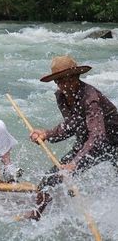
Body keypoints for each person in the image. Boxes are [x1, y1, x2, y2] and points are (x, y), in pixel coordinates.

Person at [26, 55, 118, 220]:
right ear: (56, 83)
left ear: (77, 77)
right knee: (51, 178)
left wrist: (75, 163)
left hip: (112, 142)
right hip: (88, 143)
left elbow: (97, 136)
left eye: (69, 79)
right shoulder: (61, 96)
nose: (65, 84)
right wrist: (46, 134)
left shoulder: (90, 98)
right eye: (60, 81)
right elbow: (72, 124)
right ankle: (36, 215)